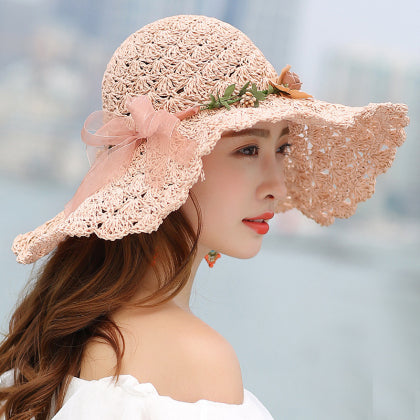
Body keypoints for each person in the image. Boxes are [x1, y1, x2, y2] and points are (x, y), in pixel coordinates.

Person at [0, 14, 408, 420]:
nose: (278, 187)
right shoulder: (199, 361)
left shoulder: (62, 336)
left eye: (282, 149)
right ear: (170, 167)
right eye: (248, 149)